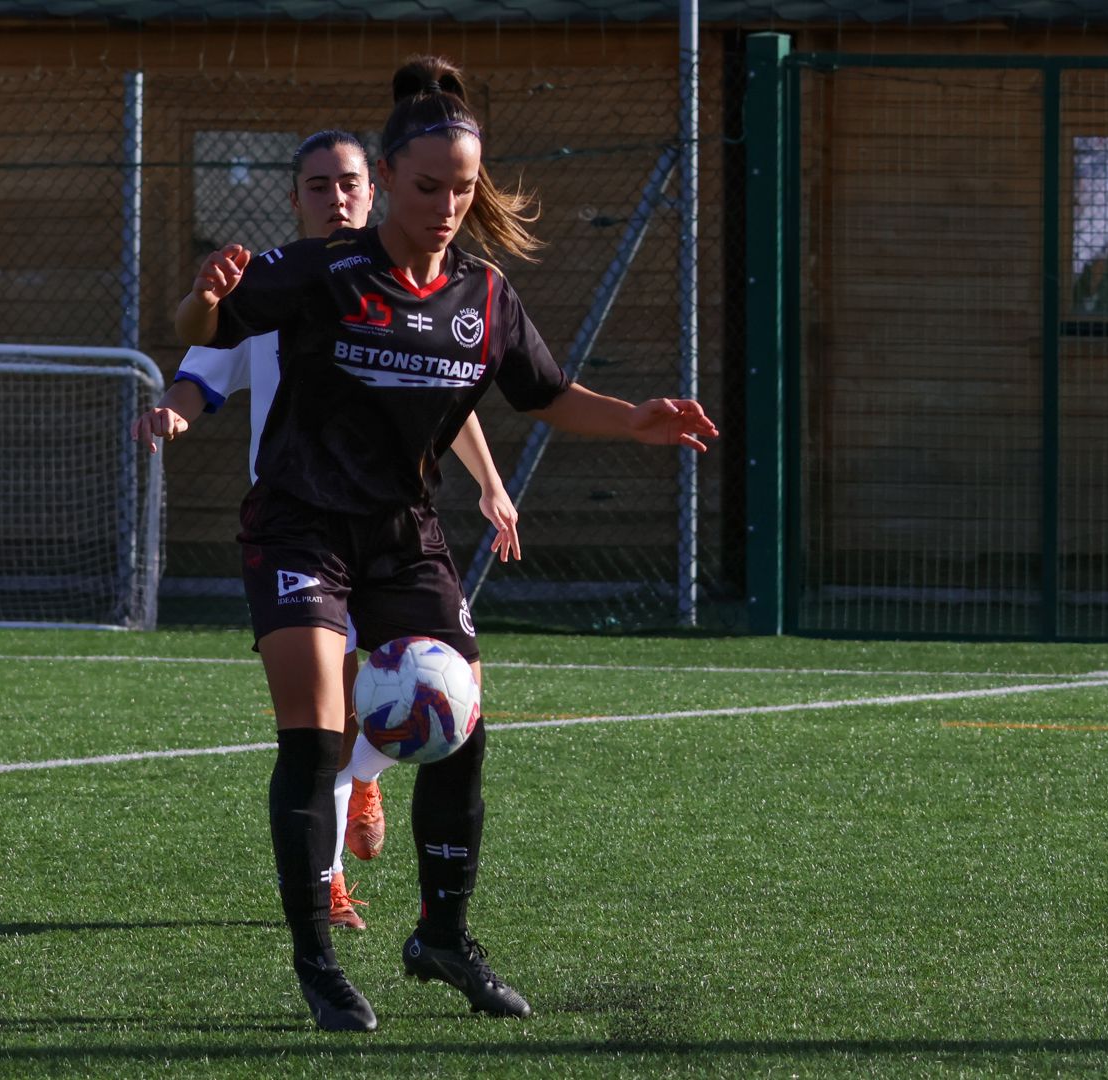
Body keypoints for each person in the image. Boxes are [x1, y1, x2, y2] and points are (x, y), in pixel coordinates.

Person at [175, 56, 717, 1033]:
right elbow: (203, 332)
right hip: (300, 522)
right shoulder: (324, 272)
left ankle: (441, 936)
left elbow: (544, 395)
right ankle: (318, 962)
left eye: (463, 188)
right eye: (428, 187)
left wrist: (636, 417)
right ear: (385, 180)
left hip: (402, 533)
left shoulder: (484, 295)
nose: (447, 205)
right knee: (314, 733)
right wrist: (205, 297)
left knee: (461, 722)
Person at [134, 130, 521, 933]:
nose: (336, 197)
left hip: (387, 529)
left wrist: (490, 482)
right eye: (317, 186)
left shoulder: (409, 285)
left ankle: (371, 778)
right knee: (328, 717)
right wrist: (174, 412)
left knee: (412, 702)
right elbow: (203, 365)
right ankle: (330, 879)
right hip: (300, 531)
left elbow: (441, 396)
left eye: (347, 183)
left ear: (372, 190)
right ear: (295, 199)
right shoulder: (274, 289)